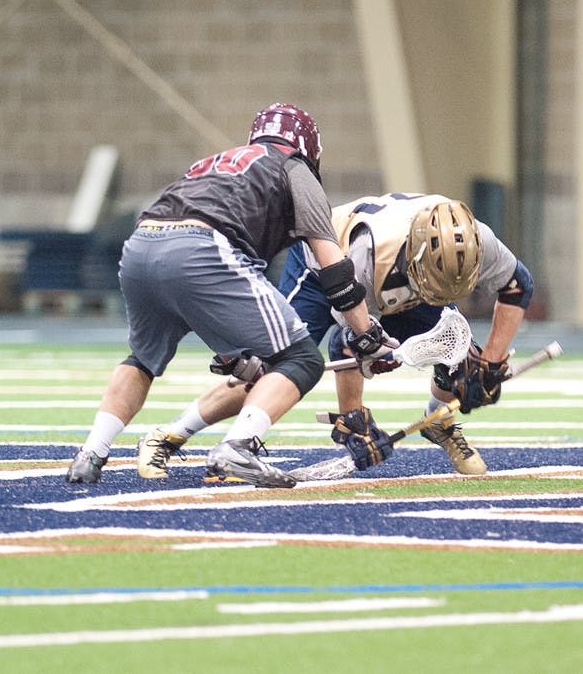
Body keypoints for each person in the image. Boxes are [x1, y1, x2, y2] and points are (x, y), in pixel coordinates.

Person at [65, 103, 396, 487]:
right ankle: (238, 446)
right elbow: (334, 268)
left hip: (141, 246)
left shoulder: (219, 161)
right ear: (309, 144)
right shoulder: (293, 167)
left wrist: (233, 353)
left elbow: (197, 294)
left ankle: (91, 453)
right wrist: (366, 335)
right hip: (203, 248)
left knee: (141, 359)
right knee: (301, 358)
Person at [137, 192, 533, 479]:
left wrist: (491, 362)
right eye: (437, 284)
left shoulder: (479, 242)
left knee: (456, 349)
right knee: (280, 368)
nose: (443, 298)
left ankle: (437, 420)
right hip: (323, 267)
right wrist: (353, 419)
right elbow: (348, 342)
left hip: (392, 279)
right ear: (415, 259)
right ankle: (170, 434)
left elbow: (518, 286)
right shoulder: (366, 255)